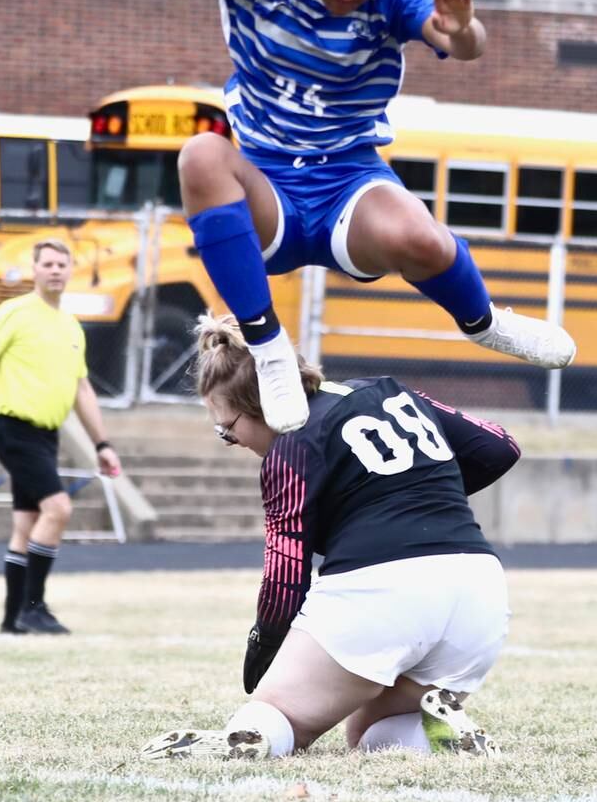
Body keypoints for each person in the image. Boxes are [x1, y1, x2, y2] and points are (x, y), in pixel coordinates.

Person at [82, 0, 576, 435]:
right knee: (200, 152)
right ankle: (267, 344)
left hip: (348, 181)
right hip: (266, 186)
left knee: (421, 239)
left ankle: (486, 321)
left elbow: (455, 38)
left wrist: (465, 31)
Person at [141, 313, 518, 762]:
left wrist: (263, 652)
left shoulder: (292, 444)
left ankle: (244, 739)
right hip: (479, 588)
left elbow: (286, 572)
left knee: (277, 716)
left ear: (261, 403)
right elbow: (499, 446)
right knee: (372, 732)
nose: (231, 438)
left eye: (228, 429)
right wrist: (415, 490)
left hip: (384, 589)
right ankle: (441, 738)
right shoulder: (389, 390)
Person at [0, 238, 121, 635]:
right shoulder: (13, 313)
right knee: (58, 510)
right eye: (48, 264)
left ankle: (10, 620)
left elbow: (82, 390)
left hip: (46, 436)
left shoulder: (71, 327)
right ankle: (32, 608)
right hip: (13, 429)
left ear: (70, 271)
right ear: (35, 270)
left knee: (27, 523)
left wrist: (102, 444)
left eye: (62, 264)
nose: (55, 270)